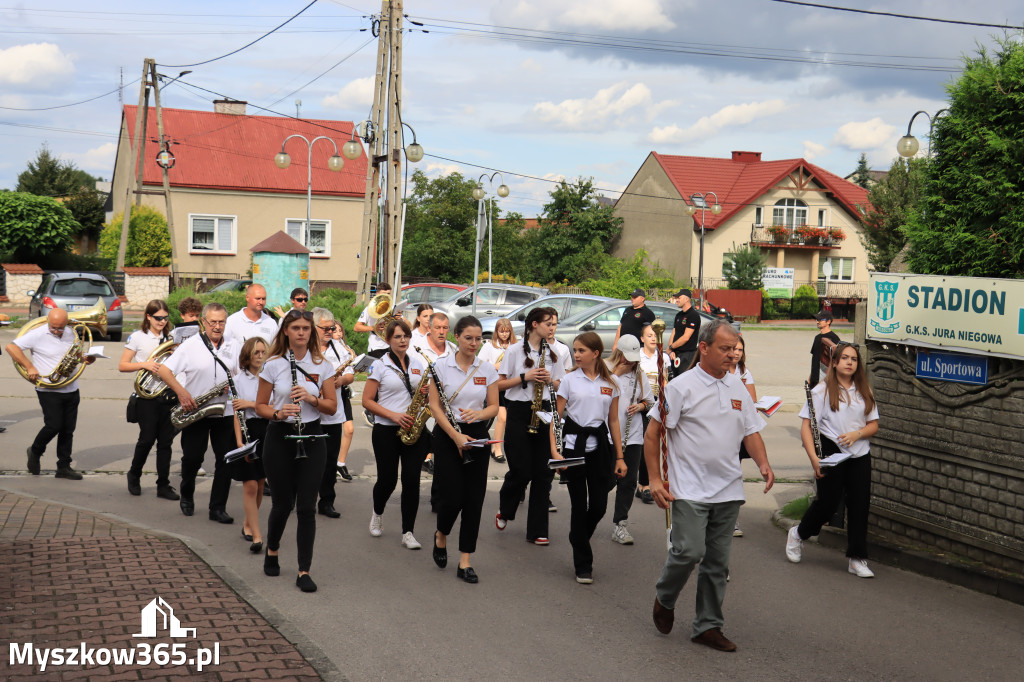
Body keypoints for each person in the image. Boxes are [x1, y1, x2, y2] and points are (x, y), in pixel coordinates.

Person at [645, 319, 774, 653]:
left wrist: (763, 463)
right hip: (688, 488)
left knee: (718, 564)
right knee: (689, 550)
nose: (733, 355)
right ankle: (665, 596)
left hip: (728, 490)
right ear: (704, 348)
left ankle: (708, 626)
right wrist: (655, 480)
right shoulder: (680, 386)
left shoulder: (737, 388)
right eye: (726, 349)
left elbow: (751, 430)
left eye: (735, 349)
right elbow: (653, 434)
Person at [255, 309, 337, 593]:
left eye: (306, 328)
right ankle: (273, 549)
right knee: (282, 504)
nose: (301, 333)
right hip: (280, 436)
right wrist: (278, 413)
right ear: (286, 332)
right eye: (296, 328)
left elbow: (332, 406)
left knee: (306, 507)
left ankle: (304, 570)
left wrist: (312, 399)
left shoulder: (322, 364)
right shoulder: (274, 364)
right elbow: (260, 406)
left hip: (313, 436)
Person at [786, 342, 879, 579]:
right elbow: (806, 427)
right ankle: (798, 534)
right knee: (828, 504)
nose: (850, 362)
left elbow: (873, 425)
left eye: (854, 359)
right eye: (845, 358)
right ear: (834, 363)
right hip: (830, 450)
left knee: (860, 504)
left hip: (859, 453)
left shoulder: (864, 389)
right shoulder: (821, 391)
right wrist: (815, 459)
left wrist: (856, 434)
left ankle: (857, 558)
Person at [428, 316, 500, 584]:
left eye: (478, 338)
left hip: (477, 434)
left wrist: (479, 413)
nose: (474, 343)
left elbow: (494, 406)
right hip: (448, 434)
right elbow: (434, 406)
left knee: (474, 499)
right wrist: (457, 437)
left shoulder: (487, 369)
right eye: (468, 337)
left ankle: (465, 560)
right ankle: (441, 534)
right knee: (452, 497)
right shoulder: (440, 366)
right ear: (456, 337)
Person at [554, 332, 628, 584]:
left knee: (599, 505)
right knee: (578, 505)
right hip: (574, 448)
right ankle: (583, 564)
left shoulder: (612, 383)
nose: (576, 355)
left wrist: (620, 456)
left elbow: (614, 420)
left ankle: (577, 537)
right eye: (575, 350)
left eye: (581, 350)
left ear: (596, 353)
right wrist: (555, 451)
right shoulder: (568, 380)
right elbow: (556, 418)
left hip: (600, 449)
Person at [156, 303, 240, 522]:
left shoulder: (234, 344)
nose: (217, 326)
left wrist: (234, 384)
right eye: (213, 321)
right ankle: (187, 496)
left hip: (225, 411)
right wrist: (182, 393)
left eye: (222, 321)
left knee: (225, 460)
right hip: (196, 410)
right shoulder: (190, 345)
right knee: (193, 458)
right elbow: (164, 370)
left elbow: (243, 372)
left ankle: (217, 508)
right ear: (203, 322)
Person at [495, 307, 566, 545]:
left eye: (554, 324)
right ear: (534, 324)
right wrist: (525, 377)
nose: (552, 328)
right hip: (519, 411)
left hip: (544, 409)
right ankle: (506, 510)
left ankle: (538, 530)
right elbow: (499, 385)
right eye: (548, 323)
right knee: (521, 469)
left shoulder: (554, 352)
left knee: (543, 473)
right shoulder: (515, 351)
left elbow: (561, 384)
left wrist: (550, 381)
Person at [362, 318, 430, 549]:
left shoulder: (418, 364)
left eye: (406, 336)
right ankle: (377, 512)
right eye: (398, 336)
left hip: (413, 429)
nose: (403, 340)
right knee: (387, 481)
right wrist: (393, 415)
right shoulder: (379, 365)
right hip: (386, 430)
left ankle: (408, 532)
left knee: (412, 480)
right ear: (388, 339)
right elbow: (367, 401)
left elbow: (424, 398)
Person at [7, 308, 96, 479]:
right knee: (54, 425)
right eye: (53, 327)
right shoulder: (37, 333)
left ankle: (64, 466)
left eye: (60, 328)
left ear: (66, 324)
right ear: (48, 321)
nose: (56, 331)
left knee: (68, 429)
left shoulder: (70, 332)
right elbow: (11, 347)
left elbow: (74, 355)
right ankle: (35, 450)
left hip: (70, 387)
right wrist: (29, 366)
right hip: (48, 388)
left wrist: (84, 358)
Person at [118, 299, 178, 499]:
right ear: (148, 317)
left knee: (165, 443)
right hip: (147, 395)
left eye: (165, 318)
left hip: (167, 395)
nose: (162, 321)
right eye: (158, 318)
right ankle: (134, 474)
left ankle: (163, 485)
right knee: (146, 439)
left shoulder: (172, 336)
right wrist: (144, 365)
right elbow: (123, 365)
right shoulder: (138, 337)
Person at [608, 335, 654, 545]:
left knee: (628, 481)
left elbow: (649, 400)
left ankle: (620, 524)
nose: (631, 362)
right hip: (608, 435)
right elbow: (600, 393)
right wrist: (617, 373)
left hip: (632, 434)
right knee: (606, 480)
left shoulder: (639, 374)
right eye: (627, 357)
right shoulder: (605, 369)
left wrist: (640, 406)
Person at [230, 337, 269, 554]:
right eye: (256, 352)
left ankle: (248, 523)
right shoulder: (238, 379)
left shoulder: (270, 377)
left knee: (261, 483)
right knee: (250, 484)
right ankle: (257, 535)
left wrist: (252, 403)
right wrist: (239, 442)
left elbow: (276, 405)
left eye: (263, 352)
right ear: (248, 355)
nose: (260, 356)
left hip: (267, 430)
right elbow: (237, 412)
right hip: (247, 431)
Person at [313, 307, 353, 518]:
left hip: (333, 414)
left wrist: (340, 380)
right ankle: (303, 499)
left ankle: (327, 501)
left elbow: (350, 373)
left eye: (331, 328)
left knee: (329, 462)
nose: (329, 332)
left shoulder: (338, 347)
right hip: (310, 413)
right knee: (307, 461)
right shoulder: (304, 348)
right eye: (325, 328)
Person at [416, 312, 455, 483]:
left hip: (445, 411)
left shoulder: (454, 349)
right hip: (421, 408)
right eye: (437, 327)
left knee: (443, 460)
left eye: (445, 328)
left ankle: (439, 498)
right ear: (429, 328)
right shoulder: (415, 348)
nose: (441, 331)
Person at [635, 323, 670, 504]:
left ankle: (649, 483)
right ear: (642, 339)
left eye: (655, 335)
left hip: (658, 402)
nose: (653, 338)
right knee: (644, 442)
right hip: (641, 403)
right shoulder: (638, 356)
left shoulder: (663, 357)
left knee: (656, 443)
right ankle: (643, 485)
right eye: (649, 335)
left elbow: (667, 379)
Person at [727, 334, 756, 538]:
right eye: (733, 349)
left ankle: (732, 521)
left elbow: (752, 401)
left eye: (740, 350)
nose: (736, 353)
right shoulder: (718, 371)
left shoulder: (744, 373)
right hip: (719, 432)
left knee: (734, 475)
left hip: (738, 432)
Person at [477, 318, 515, 463]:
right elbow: (479, 365)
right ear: (496, 332)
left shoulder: (514, 346)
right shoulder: (489, 347)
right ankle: (496, 447)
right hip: (495, 386)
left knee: (509, 420)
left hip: (510, 386)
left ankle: (499, 445)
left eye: (507, 332)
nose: (504, 335)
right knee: (502, 417)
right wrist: (495, 365)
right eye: (501, 332)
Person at [330, 324, 356, 482]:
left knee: (350, 429)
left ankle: (341, 463)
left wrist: (345, 377)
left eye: (341, 331)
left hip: (342, 392)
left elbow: (350, 373)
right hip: (325, 396)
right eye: (334, 331)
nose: (338, 334)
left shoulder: (343, 350)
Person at [354, 281, 393, 359]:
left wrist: (399, 319)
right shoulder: (369, 308)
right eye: (383, 293)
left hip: (391, 345)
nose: (386, 296)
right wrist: (373, 328)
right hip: (376, 347)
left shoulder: (391, 308)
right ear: (377, 294)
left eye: (388, 293)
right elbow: (356, 327)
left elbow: (408, 325)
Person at [668, 289, 701, 378]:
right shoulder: (679, 315)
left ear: (687, 299)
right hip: (676, 354)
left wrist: (671, 347)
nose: (677, 300)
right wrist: (671, 350)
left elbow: (686, 337)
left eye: (679, 297)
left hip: (687, 355)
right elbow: (674, 333)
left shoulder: (693, 315)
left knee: (684, 379)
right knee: (674, 379)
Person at [809, 310, 840, 388]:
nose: (817, 322)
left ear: (828, 321)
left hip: (825, 380)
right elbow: (815, 360)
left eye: (820, 320)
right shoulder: (817, 338)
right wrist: (810, 377)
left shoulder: (834, 339)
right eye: (817, 319)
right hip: (814, 379)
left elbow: (836, 361)